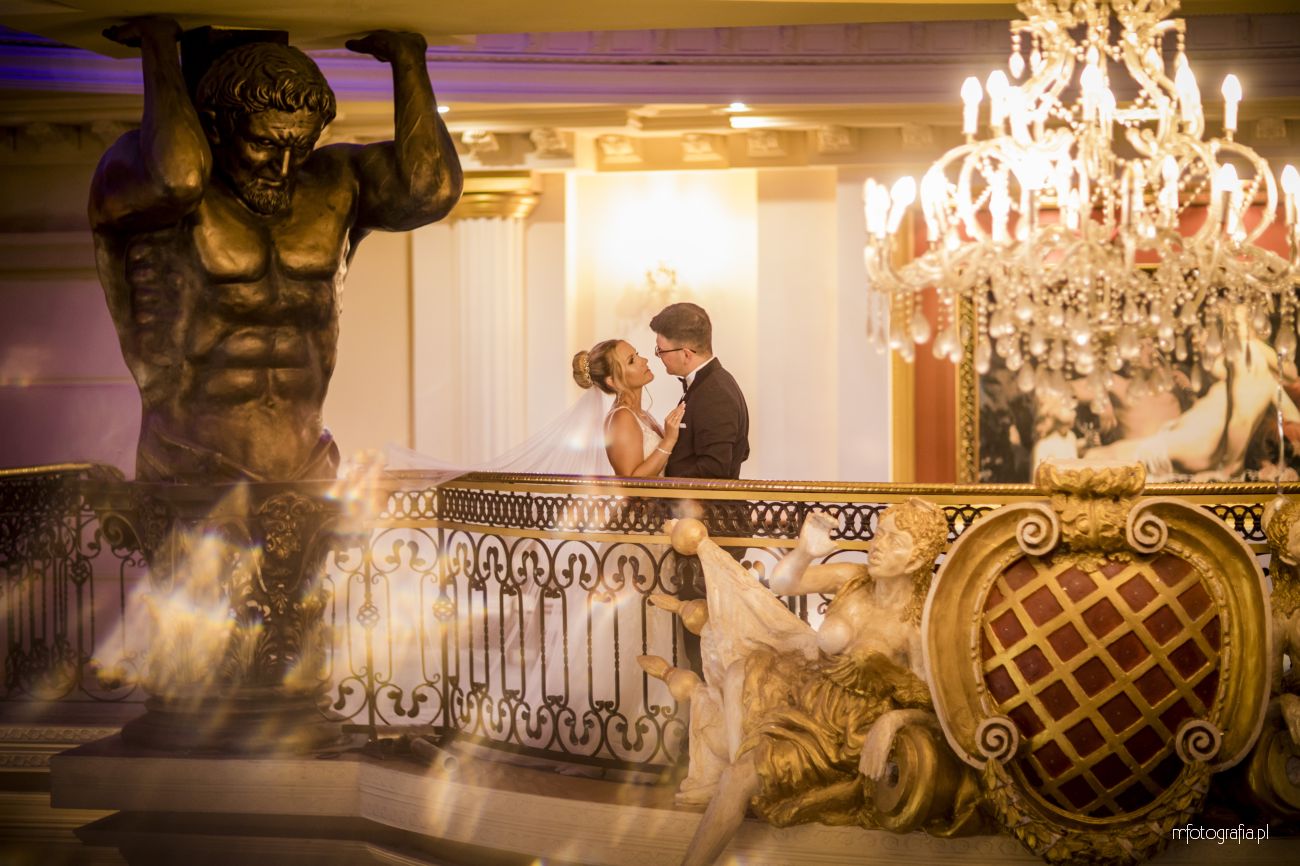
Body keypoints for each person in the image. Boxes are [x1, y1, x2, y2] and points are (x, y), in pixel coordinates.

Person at [90, 18, 462, 483]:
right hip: (192, 461)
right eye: (264, 143)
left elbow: (430, 192)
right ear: (215, 126)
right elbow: (178, 178)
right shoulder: (158, 191)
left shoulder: (335, 182)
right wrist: (160, 48)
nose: (282, 167)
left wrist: (407, 61)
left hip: (308, 459)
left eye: (301, 147)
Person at [642, 501, 975, 866]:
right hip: (809, 698)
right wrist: (804, 551)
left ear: (917, 559)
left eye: (894, 540)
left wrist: (892, 721)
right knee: (741, 678)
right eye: (879, 533)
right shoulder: (853, 578)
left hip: (847, 736)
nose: (878, 545)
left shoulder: (917, 624)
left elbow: (939, 708)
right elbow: (784, 582)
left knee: (738, 777)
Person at [650, 303, 750, 479]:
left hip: (697, 498)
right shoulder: (711, 382)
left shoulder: (715, 393)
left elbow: (715, 469)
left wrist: (666, 483)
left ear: (686, 354)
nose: (658, 356)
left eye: (661, 350)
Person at [573, 340, 686, 477]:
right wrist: (669, 440)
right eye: (632, 361)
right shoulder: (621, 418)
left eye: (637, 354)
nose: (644, 360)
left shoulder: (642, 414)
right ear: (612, 381)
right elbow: (631, 482)